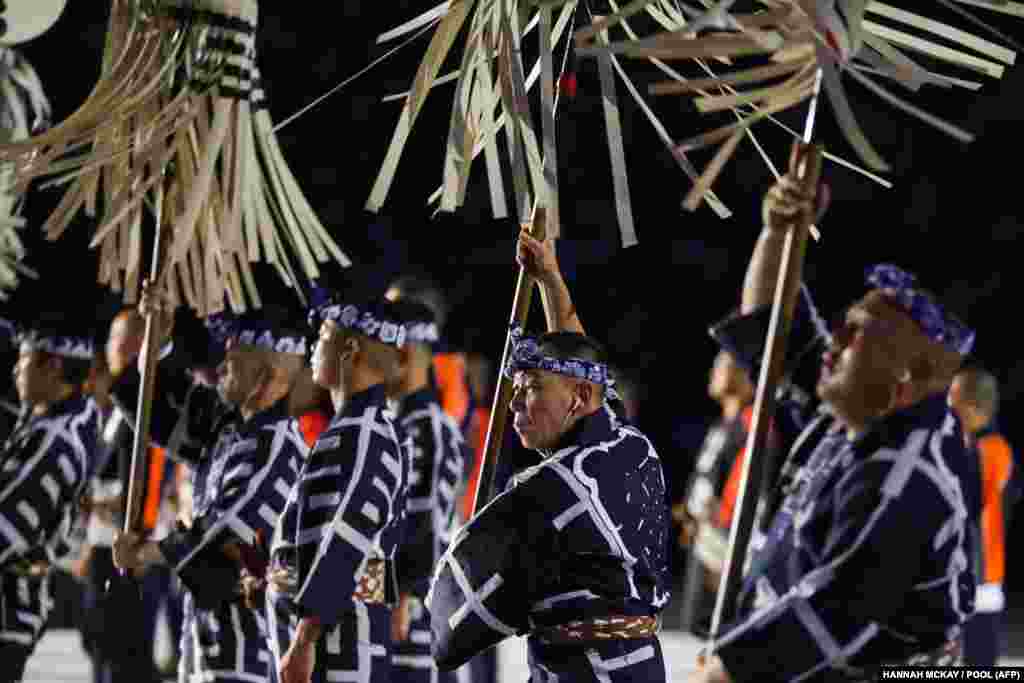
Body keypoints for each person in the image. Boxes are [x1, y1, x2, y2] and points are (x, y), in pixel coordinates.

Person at [687, 144, 975, 683]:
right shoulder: (852, 412)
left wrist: (724, 670)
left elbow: (835, 612)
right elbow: (769, 329)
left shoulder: (907, 474)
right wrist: (778, 231)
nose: (834, 339)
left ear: (904, 380)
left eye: (857, 332)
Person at [424, 230, 671, 681]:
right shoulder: (630, 445)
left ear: (577, 398)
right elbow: (584, 369)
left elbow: (448, 627)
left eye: (531, 388)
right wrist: (550, 281)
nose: (514, 403)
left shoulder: (546, 492)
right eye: (514, 389)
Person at [110, 297, 309, 683]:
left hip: (251, 643)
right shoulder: (229, 428)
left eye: (232, 361)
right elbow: (158, 408)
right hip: (210, 637)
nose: (219, 368)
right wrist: (156, 344)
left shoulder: (278, 445)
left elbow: (227, 530)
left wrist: (147, 552)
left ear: (263, 379)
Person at [268, 294, 409, 683]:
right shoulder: (352, 429)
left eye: (323, 336)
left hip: (341, 645)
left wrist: (303, 639)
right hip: (334, 638)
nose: (313, 348)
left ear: (350, 351)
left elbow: (345, 541)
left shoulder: (365, 434)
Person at [0, 317, 101, 683]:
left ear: (53, 365)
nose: (15, 369)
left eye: (24, 359)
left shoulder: (56, 441)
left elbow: (6, 526)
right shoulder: (71, 416)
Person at [384, 299, 469, 682]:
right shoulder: (395, 421)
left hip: (417, 608)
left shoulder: (428, 427)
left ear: (402, 354)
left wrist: (405, 595)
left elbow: (428, 521)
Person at [674, 350, 756, 634]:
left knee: (706, 635)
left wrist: (725, 540)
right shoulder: (722, 423)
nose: (715, 371)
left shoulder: (752, 424)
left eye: (725, 365)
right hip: (703, 541)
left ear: (747, 375)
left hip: (721, 550)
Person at [949, 367, 1015, 666]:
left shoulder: (985, 450)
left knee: (977, 663)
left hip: (977, 575)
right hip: (984, 574)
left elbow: (970, 510)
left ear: (974, 408)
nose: (948, 409)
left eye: (953, 401)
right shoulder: (997, 448)